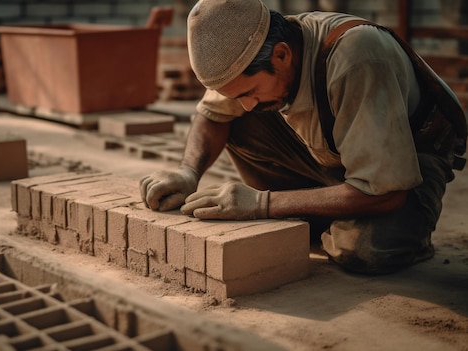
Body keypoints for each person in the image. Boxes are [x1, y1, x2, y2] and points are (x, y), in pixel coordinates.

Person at [139, 0, 467, 274]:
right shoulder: (251, 56)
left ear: (281, 55)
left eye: (250, 91)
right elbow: (211, 114)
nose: (246, 104)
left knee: (365, 250)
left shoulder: (356, 57)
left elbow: (387, 191)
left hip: (410, 160)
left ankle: (401, 228)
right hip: (336, 153)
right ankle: (328, 206)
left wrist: (262, 203)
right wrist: (188, 171)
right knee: (235, 120)